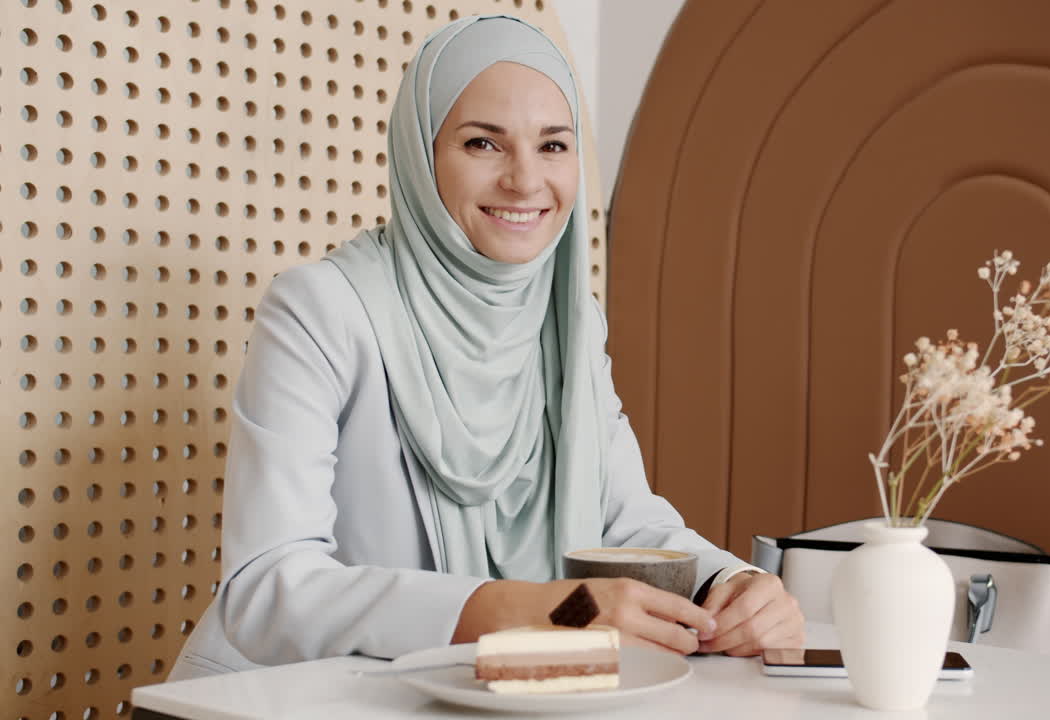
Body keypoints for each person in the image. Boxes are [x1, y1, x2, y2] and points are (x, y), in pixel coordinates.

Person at [168, 14, 803, 682]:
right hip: (290, 698)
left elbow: (626, 523)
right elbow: (268, 587)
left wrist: (733, 586)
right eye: (483, 144)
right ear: (420, 154)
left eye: (553, 146)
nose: (526, 181)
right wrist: (525, 609)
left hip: (480, 695)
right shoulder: (322, 308)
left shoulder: (570, 322)